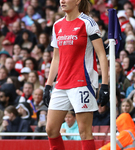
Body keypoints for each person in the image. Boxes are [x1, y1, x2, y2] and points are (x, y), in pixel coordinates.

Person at [43, 0, 109, 150]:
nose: (62, 1)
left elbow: (102, 55)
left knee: (84, 132)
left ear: (78, 1)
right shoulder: (57, 25)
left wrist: (104, 84)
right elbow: (56, 58)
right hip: (61, 84)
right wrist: (48, 84)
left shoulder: (88, 23)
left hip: (82, 83)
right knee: (51, 130)